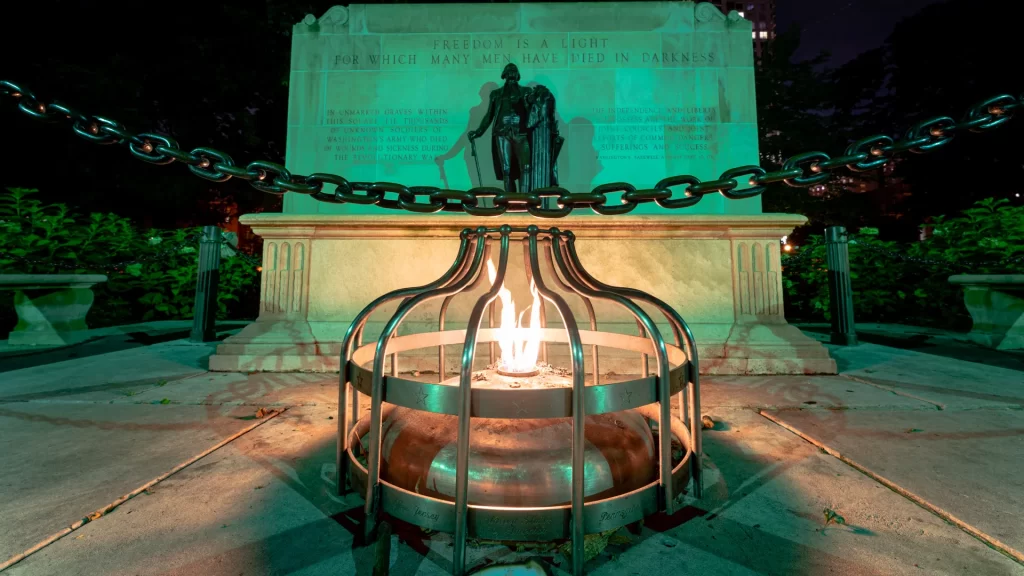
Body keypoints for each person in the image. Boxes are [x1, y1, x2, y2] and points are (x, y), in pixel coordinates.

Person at [468, 63, 533, 193]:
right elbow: (489, 116)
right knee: (506, 169)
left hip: (521, 134)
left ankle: (525, 199)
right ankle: (511, 201)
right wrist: (478, 132)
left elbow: (533, 112)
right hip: (502, 134)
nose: (511, 75)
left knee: (525, 168)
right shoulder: (496, 94)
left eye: (514, 73)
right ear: (504, 76)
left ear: (518, 76)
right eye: (509, 73)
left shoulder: (526, 92)